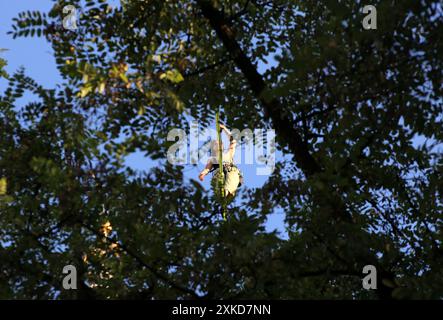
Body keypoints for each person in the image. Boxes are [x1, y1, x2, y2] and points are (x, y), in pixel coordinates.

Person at [199, 124, 243, 201]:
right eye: (216, 144)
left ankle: (226, 193)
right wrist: (202, 174)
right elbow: (207, 169)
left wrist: (224, 129)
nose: (218, 145)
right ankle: (222, 195)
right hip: (219, 174)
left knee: (232, 178)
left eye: (219, 144)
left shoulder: (228, 153)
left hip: (230, 171)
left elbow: (233, 141)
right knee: (218, 181)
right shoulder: (212, 159)